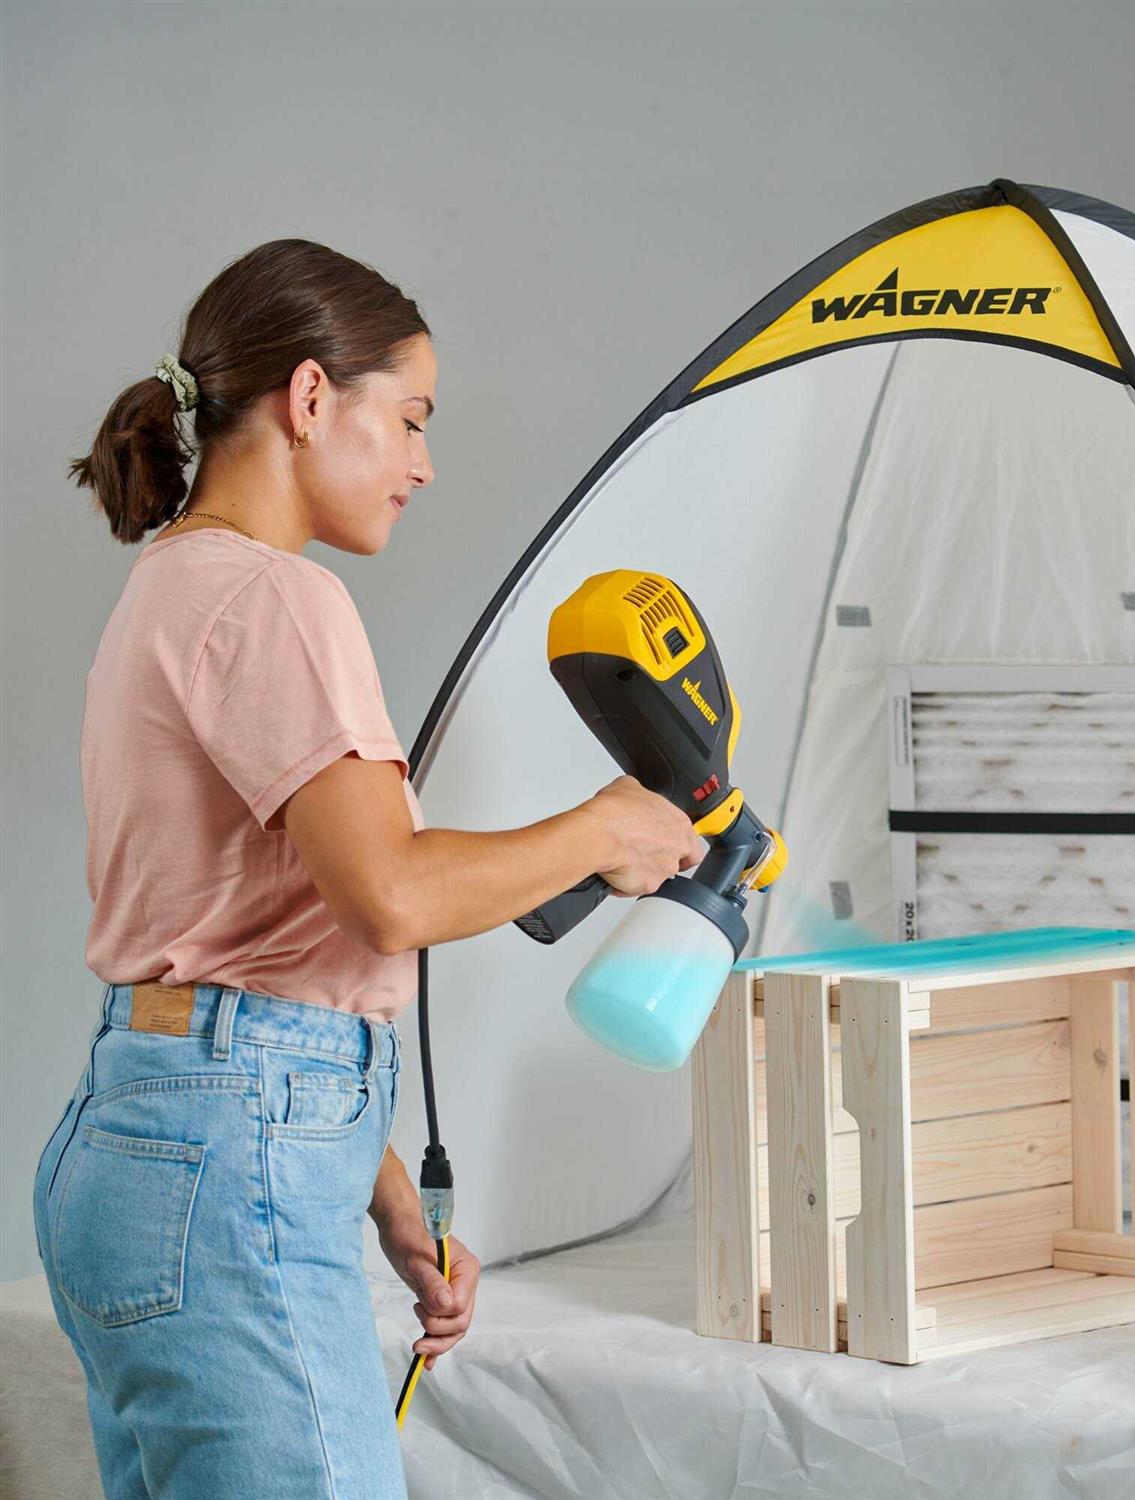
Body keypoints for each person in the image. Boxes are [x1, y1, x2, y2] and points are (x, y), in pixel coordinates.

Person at [31, 237, 699, 1499]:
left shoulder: (166, 591)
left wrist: (382, 1190)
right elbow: (388, 894)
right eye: (410, 418)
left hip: (132, 1144)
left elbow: (232, 951)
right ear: (308, 397)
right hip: (226, 1170)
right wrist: (607, 831)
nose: (422, 463)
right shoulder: (277, 600)